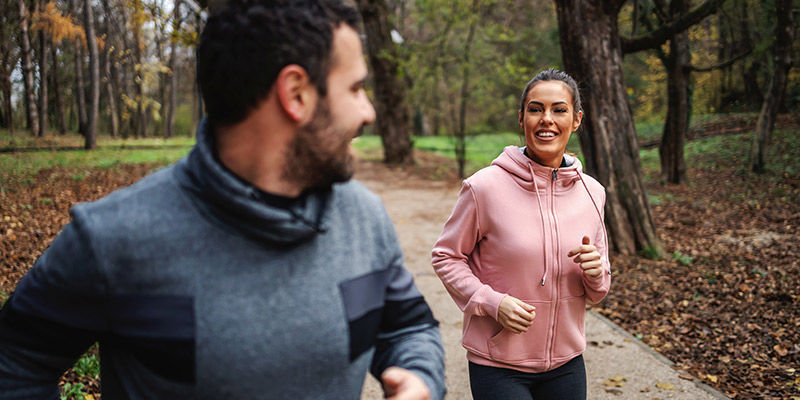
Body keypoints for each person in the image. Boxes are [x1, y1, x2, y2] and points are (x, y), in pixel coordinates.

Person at [0, 1, 445, 399]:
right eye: (354, 89)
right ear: (296, 94)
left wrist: (418, 376)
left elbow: (408, 326)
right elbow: (14, 364)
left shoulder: (363, 218)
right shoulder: (112, 238)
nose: (368, 111)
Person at [431, 68, 611, 400]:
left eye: (559, 109)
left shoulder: (593, 192)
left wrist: (596, 272)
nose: (546, 119)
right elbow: (446, 256)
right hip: (499, 364)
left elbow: (599, 290)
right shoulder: (484, 187)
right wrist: (492, 302)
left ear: (576, 120)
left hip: (567, 364)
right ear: (521, 118)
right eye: (535, 109)